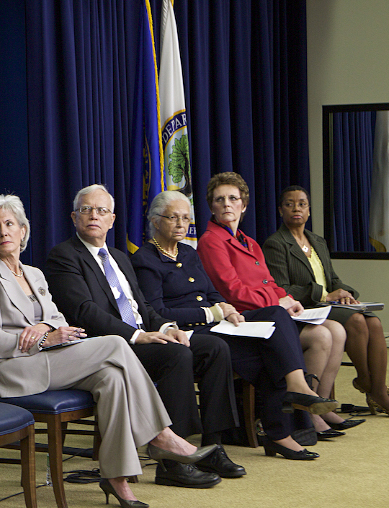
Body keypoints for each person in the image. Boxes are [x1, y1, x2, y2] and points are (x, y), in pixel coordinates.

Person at [0, 194, 218, 508]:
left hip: (53, 359)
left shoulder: (34, 274)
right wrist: (42, 340)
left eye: (9, 224)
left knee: (111, 378)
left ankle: (116, 477)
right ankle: (161, 435)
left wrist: (45, 327)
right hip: (16, 369)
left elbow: (56, 319)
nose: (3, 231)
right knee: (115, 343)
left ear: (23, 231)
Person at [45, 185, 241, 487]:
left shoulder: (121, 258)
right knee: (176, 355)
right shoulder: (64, 256)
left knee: (214, 347)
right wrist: (138, 337)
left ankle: (213, 446)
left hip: (142, 335)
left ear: (112, 219)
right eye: (86, 210)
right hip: (110, 347)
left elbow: (144, 307)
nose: (93, 216)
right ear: (74, 217)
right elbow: (84, 312)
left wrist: (165, 328)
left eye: (101, 211)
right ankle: (172, 461)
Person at [132, 191, 348, 460]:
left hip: (218, 325)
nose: (181, 224)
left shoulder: (188, 252)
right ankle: (275, 431)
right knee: (267, 354)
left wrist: (228, 309)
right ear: (155, 221)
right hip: (189, 332)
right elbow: (157, 312)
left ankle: (291, 400)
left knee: (276, 318)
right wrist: (211, 312)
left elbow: (212, 293)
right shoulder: (146, 258)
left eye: (186, 218)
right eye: (173, 218)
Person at [197, 172, 354, 433]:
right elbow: (232, 291)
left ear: (243, 205)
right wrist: (277, 301)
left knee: (336, 330)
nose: (226, 204)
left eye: (233, 198)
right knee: (322, 337)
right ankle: (306, 411)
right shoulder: (211, 241)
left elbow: (270, 282)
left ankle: (320, 406)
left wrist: (289, 299)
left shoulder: (249, 242)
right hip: (245, 320)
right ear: (211, 206)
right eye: (219, 199)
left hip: (271, 314)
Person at [263, 185, 389, 416]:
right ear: (281, 211)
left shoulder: (317, 241)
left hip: (328, 304)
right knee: (358, 322)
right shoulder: (276, 243)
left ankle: (378, 389)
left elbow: (332, 279)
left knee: (375, 323)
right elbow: (282, 289)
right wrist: (325, 295)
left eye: (302, 204)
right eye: (289, 204)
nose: (296, 209)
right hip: (306, 308)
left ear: (309, 210)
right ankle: (366, 383)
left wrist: (347, 294)